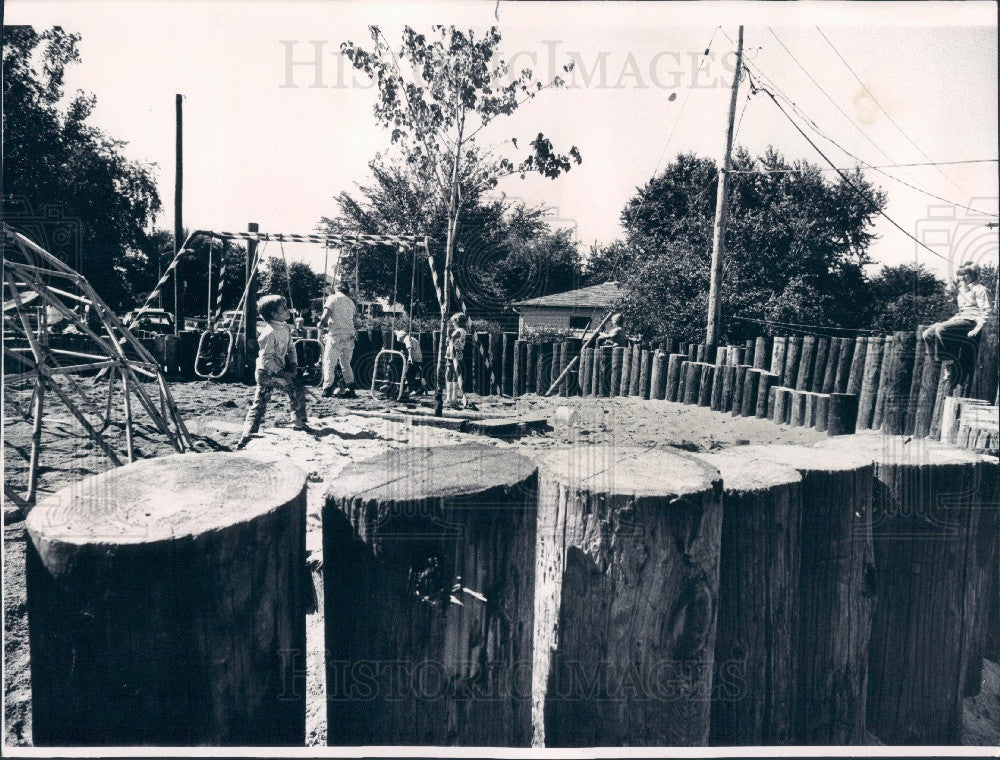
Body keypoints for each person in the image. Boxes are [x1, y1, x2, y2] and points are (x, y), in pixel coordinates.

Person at [236, 295, 308, 449]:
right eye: (283, 308)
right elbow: (266, 359)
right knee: (295, 388)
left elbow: (291, 348)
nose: (287, 310)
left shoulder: (286, 328)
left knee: (260, 402)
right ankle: (298, 421)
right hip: (266, 373)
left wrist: (294, 364)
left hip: (276, 371)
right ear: (273, 314)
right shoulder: (269, 333)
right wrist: (283, 373)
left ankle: (248, 433)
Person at [922, 261, 993, 388]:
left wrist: (978, 328)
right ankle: (940, 363)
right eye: (961, 274)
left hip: (972, 321)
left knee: (941, 329)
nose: (962, 277)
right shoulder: (962, 291)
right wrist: (948, 321)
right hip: (960, 318)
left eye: (966, 274)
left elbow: (987, 311)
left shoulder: (981, 290)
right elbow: (960, 312)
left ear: (974, 274)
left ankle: (950, 365)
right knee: (927, 334)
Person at [318, 281, 358, 398]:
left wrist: (320, 324)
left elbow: (326, 315)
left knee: (329, 363)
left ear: (337, 289)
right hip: (349, 336)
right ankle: (351, 387)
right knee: (346, 364)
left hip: (336, 335)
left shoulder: (333, 298)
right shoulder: (351, 302)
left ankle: (327, 388)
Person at [445, 313, 469, 408]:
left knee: (451, 373)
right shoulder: (462, 331)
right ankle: (452, 397)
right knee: (454, 374)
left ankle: (450, 397)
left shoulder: (459, 331)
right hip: (455, 352)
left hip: (453, 352)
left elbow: (450, 339)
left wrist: (448, 334)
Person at [395, 328, 426, 397]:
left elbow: (409, 347)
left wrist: (410, 357)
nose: (402, 342)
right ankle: (417, 388)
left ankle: (410, 390)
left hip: (414, 359)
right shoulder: (411, 338)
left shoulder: (407, 339)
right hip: (418, 358)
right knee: (413, 374)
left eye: (401, 341)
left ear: (401, 338)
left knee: (408, 374)